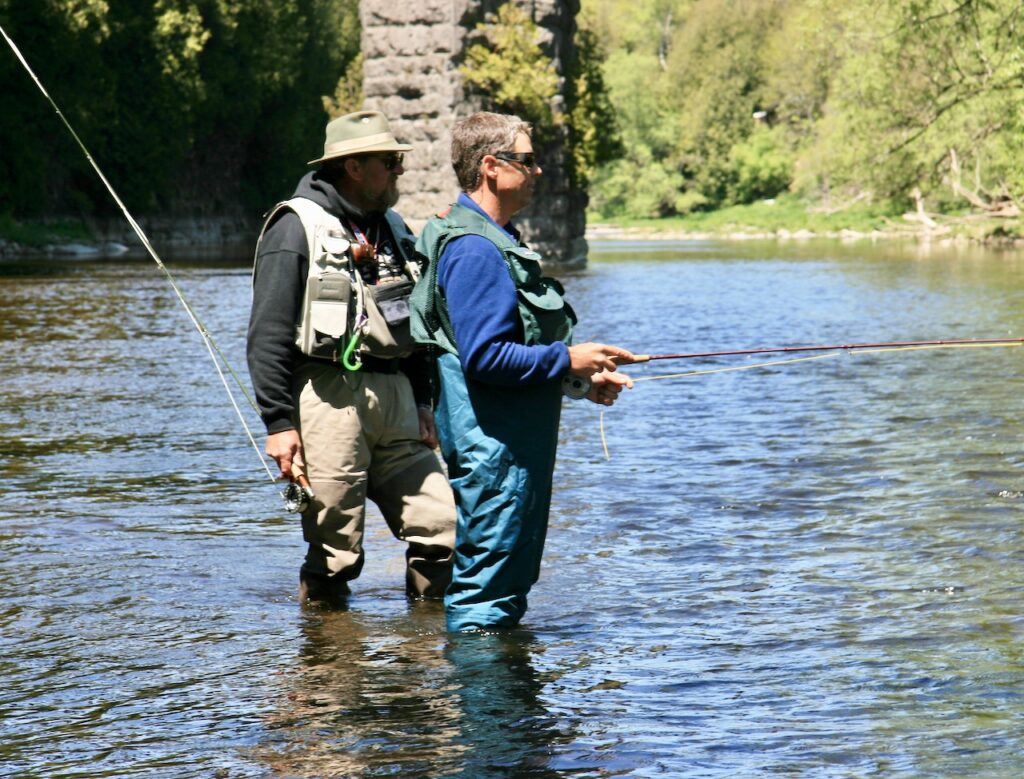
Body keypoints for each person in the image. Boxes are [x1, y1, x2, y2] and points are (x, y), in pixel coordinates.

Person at [410, 111, 635, 631]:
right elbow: (486, 357)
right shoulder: (475, 250)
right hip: (496, 457)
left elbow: (514, 351)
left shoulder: (490, 238)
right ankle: (485, 708)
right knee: (485, 600)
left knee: (503, 590)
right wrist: (569, 358)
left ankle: (504, 709)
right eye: (527, 161)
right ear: (490, 166)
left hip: (508, 451)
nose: (537, 173)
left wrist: (579, 381)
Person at [247, 110, 456, 606]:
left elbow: (419, 327)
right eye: (389, 161)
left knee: (440, 526)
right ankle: (327, 664)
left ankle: (426, 654)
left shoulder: (396, 229)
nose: (400, 170)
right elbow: (267, 334)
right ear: (354, 167)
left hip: (399, 398)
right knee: (335, 549)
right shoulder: (295, 226)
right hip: (327, 398)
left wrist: (425, 401)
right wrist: (279, 423)